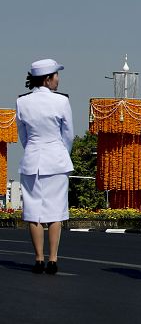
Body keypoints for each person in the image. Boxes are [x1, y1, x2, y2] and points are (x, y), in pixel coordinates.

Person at [16, 59, 74, 275]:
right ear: (48, 79)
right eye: (56, 75)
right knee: (56, 212)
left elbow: (23, 135)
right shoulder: (61, 102)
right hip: (56, 160)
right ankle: (53, 259)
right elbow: (68, 134)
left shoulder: (22, 102)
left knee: (34, 212)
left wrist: (33, 148)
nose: (58, 79)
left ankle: (38, 258)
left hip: (32, 159)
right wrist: (61, 152)